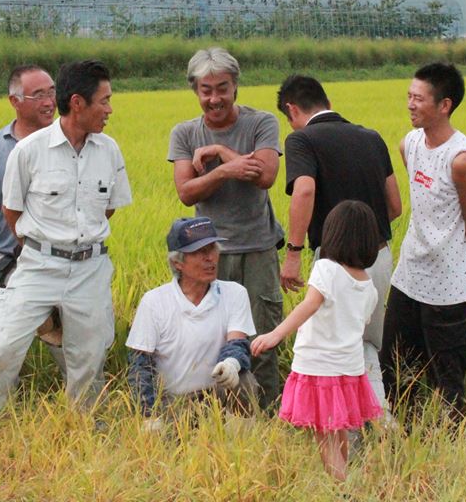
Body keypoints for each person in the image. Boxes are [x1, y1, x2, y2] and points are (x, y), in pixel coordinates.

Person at [0, 60, 132, 426]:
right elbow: (12, 213)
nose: (110, 110)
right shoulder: (30, 151)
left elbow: (107, 210)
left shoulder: (109, 150)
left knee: (88, 356)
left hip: (90, 269)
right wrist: (49, 242)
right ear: (78, 103)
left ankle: (86, 428)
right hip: (38, 266)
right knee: (3, 346)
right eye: (105, 101)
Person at [168, 47, 285, 411]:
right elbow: (186, 193)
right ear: (196, 91)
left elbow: (264, 176)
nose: (214, 98)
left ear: (235, 87)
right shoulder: (185, 133)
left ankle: (265, 415)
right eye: (206, 90)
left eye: (222, 88)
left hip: (257, 248)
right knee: (204, 338)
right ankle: (212, 415)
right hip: (206, 254)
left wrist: (220, 151)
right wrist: (226, 170)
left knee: (262, 337)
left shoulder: (260, 123)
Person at [276, 74, 402, 411]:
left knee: (335, 345)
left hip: (334, 265)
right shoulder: (372, 137)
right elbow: (395, 206)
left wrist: (293, 253)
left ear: (291, 110)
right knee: (367, 344)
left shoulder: (301, 140)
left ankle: (347, 427)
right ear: (328, 103)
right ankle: (380, 415)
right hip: (378, 258)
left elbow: (304, 189)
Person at [380, 62, 466, 420]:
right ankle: (402, 431)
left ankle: (454, 439)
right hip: (410, 274)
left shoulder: (462, 160)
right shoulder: (409, 143)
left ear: (444, 105)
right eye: (409, 96)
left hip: (450, 284)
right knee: (393, 361)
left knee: (447, 376)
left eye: (419, 99)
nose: (410, 104)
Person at [252, 200, 384, 482]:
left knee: (324, 434)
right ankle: (344, 477)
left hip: (318, 367)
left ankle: (341, 488)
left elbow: (309, 305)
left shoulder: (326, 269)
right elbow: (360, 325)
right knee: (338, 431)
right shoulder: (368, 286)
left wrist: (276, 334)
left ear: (333, 234)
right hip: (349, 370)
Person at [0, 65, 64, 370]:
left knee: (72, 351)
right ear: (14, 101)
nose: (49, 102)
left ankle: (89, 413)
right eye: (38, 95)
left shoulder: (70, 142)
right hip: (8, 260)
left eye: (52, 92)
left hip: (59, 260)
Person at [126, 217, 257, 426]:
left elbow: (237, 343)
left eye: (212, 248)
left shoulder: (234, 293)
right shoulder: (154, 301)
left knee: (243, 381)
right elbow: (139, 364)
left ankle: (239, 446)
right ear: (177, 262)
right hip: (173, 402)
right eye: (199, 252)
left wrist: (231, 363)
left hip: (215, 395)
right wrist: (148, 416)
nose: (210, 259)